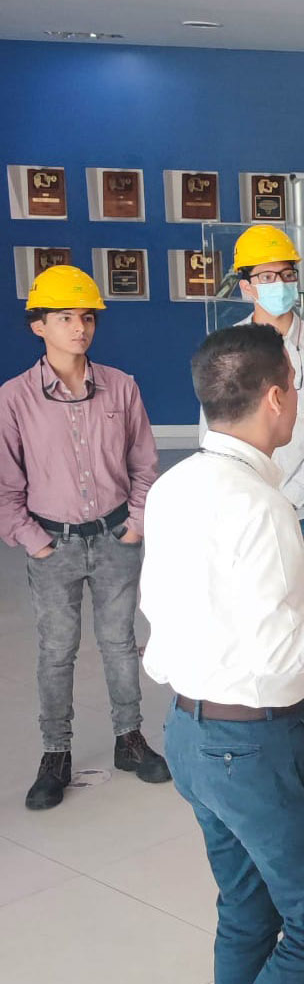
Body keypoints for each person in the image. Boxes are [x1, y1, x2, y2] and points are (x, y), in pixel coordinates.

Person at [140, 324, 304, 984]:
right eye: (296, 385)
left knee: (246, 914)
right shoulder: (263, 505)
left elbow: (175, 604)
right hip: (254, 751)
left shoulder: (174, 486)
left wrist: (293, 590)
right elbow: (281, 652)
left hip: (189, 737)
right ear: (277, 398)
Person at [0, 265, 167, 811]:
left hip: (116, 537)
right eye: (65, 317)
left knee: (120, 643)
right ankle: (56, 752)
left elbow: (144, 464)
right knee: (56, 649)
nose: (79, 328)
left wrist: (136, 523)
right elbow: (6, 483)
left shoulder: (121, 386)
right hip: (54, 543)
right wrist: (34, 540)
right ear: (38, 326)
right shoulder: (15, 399)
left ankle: (129, 738)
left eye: (87, 317)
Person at [206, 224, 304, 758]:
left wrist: (287, 496)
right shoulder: (227, 351)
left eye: (285, 275)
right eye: (265, 276)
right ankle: (266, 701)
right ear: (244, 285)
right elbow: (215, 433)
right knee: (260, 599)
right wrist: (259, 499)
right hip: (246, 506)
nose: (277, 285)